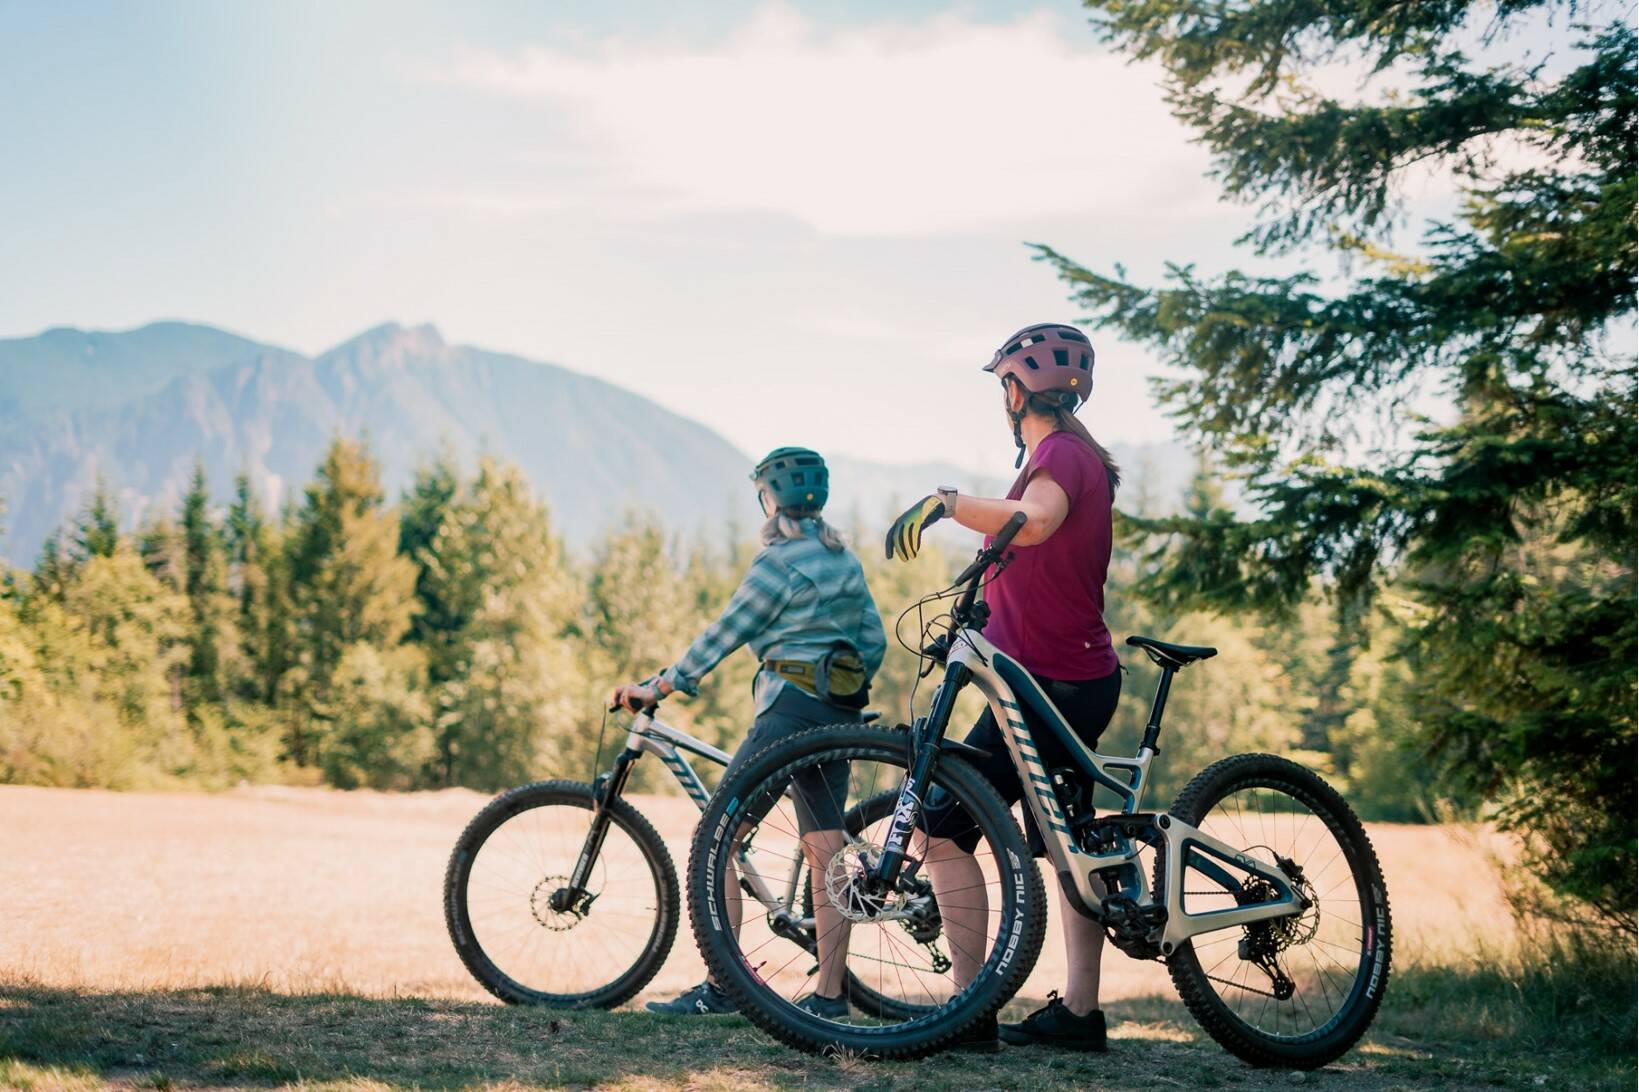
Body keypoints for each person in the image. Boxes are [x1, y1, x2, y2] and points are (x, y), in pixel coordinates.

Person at [884, 322, 1123, 1052]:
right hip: (1062, 679)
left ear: (1019, 390)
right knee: (1065, 840)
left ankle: (969, 1007)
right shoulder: (1069, 454)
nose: (1002, 398)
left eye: (1003, 386)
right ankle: (1077, 1017)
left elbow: (1038, 522)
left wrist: (948, 504)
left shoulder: (1059, 456)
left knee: (944, 829)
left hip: (1051, 685)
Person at [611, 447, 887, 1018]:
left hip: (787, 711)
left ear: (768, 497)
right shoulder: (844, 559)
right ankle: (831, 999)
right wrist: (840, 690)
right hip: (840, 713)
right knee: (828, 855)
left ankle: (725, 988)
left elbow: (724, 634)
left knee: (719, 839)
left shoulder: (778, 563)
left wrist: (660, 687)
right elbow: (874, 642)